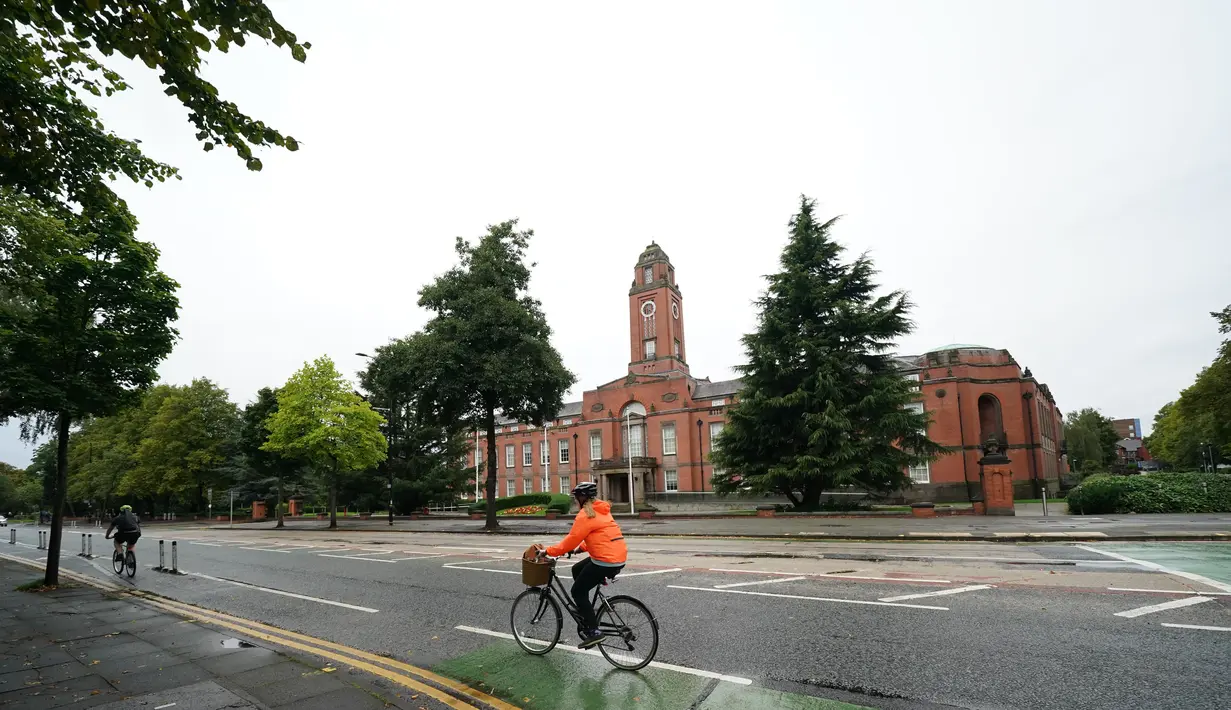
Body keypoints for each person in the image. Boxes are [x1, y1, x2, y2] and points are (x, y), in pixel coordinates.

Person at [538, 482, 627, 648]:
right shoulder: (602, 511)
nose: (574, 501)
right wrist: (580, 549)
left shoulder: (585, 514)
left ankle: (594, 631)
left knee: (577, 591)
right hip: (617, 557)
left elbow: (570, 540)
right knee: (576, 569)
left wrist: (548, 551)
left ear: (581, 498)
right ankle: (586, 611)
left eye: (575, 498)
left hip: (605, 561)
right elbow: (601, 536)